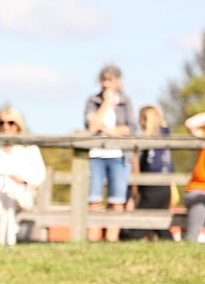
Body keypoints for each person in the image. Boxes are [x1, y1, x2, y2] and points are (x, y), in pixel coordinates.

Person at [0, 108, 47, 246]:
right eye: (1, 123)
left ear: (18, 125)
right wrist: (3, 180)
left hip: (24, 195)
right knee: (4, 192)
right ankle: (8, 244)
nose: (5, 126)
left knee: (7, 189)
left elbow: (39, 175)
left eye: (10, 122)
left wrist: (23, 179)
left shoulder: (29, 147)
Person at [83, 64, 136, 242]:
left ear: (118, 82)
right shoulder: (93, 101)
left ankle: (112, 240)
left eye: (110, 80)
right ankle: (92, 240)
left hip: (119, 155)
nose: (106, 84)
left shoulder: (126, 101)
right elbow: (91, 127)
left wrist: (109, 130)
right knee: (94, 200)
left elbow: (131, 128)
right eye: (103, 80)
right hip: (96, 155)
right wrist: (106, 103)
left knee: (117, 200)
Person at [124, 105, 175, 241]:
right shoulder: (150, 140)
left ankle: (127, 239)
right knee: (161, 225)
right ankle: (170, 243)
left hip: (156, 187)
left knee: (133, 230)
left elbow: (162, 124)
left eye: (141, 119)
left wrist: (152, 115)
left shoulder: (161, 134)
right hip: (157, 187)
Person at [184, 112, 205, 244]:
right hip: (198, 189)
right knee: (199, 201)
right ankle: (191, 241)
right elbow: (190, 124)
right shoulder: (203, 135)